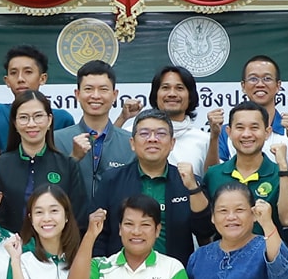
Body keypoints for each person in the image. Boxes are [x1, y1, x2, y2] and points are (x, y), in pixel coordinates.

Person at [88, 111, 210, 261]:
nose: (152, 139)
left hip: (174, 276)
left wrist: (193, 188)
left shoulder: (188, 181)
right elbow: (99, 234)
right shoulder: (112, 179)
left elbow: (205, 231)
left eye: (161, 134)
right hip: (119, 276)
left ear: (172, 143)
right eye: (145, 133)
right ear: (132, 143)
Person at [0, 89, 90, 235]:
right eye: (24, 117)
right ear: (14, 122)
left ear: (49, 120)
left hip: (58, 252)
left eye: (38, 116)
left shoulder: (67, 165)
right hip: (10, 250)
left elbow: (79, 219)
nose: (31, 124)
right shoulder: (0, 165)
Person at [205, 100, 288, 230]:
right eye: (240, 128)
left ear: (267, 132)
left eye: (254, 127)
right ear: (229, 132)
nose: (247, 134)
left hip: (268, 250)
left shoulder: (281, 174)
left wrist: (283, 167)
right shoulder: (214, 174)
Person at [208, 54, 288, 175]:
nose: (260, 84)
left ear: (278, 86)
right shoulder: (228, 131)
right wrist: (214, 137)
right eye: (253, 79)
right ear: (243, 86)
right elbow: (213, 176)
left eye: (267, 78)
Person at [0, 46, 74, 151]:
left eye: (28, 72)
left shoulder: (63, 119)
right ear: (7, 81)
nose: (20, 79)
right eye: (13, 73)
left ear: (42, 78)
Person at [59, 60, 137, 190]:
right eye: (88, 89)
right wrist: (72, 159)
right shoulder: (57, 140)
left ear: (114, 95)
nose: (95, 96)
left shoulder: (131, 143)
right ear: (77, 95)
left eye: (103, 89)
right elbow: (49, 188)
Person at [131, 64, 211, 175]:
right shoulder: (132, 133)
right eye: (165, 88)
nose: (172, 94)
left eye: (179, 88)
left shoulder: (204, 140)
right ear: (155, 95)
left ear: (190, 96)